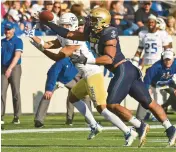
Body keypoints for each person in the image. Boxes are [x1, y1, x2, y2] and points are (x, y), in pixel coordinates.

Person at [40, 7, 176, 147]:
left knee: (112, 104)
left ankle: (140, 126)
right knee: (147, 102)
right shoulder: (91, 31)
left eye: (94, 20)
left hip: (123, 69)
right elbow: (69, 34)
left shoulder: (109, 32)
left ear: (102, 22)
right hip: (124, 70)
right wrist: (48, 23)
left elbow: (108, 58)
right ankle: (170, 128)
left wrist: (86, 60)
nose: (90, 22)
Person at [30, 12, 139, 146]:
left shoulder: (74, 39)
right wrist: (34, 37)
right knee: (73, 98)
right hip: (85, 75)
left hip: (92, 74)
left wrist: (40, 48)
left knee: (102, 109)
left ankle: (128, 131)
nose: (63, 27)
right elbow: (48, 44)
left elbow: (57, 57)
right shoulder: (65, 36)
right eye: (62, 24)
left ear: (73, 25)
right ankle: (94, 125)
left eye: (66, 25)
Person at [132, 15, 172, 121]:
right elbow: (140, 49)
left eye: (152, 22)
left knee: (157, 90)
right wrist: (135, 61)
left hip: (158, 64)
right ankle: (150, 112)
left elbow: (168, 50)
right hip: (147, 65)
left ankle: (155, 113)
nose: (150, 24)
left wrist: (166, 64)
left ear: (156, 23)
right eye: (149, 22)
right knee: (147, 90)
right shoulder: (143, 34)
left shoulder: (162, 34)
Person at [34, 59, 93, 128]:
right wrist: (49, 88)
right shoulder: (63, 60)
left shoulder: (80, 61)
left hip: (70, 79)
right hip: (57, 79)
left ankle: (89, 120)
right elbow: (52, 72)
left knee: (84, 95)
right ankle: (39, 120)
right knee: (47, 95)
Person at [144, 49, 176, 124]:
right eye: (166, 60)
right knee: (143, 96)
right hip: (154, 83)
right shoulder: (156, 66)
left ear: (173, 59)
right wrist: (147, 89)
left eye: (169, 60)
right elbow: (148, 77)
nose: (167, 62)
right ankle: (139, 118)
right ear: (162, 59)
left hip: (168, 83)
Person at [1, 21, 23, 125]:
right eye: (6, 29)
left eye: (9, 29)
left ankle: (16, 116)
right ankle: (1, 116)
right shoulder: (2, 41)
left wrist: (10, 69)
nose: (7, 31)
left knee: (15, 92)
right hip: (3, 68)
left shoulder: (18, 41)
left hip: (14, 69)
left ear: (13, 30)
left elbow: (17, 56)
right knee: (1, 92)